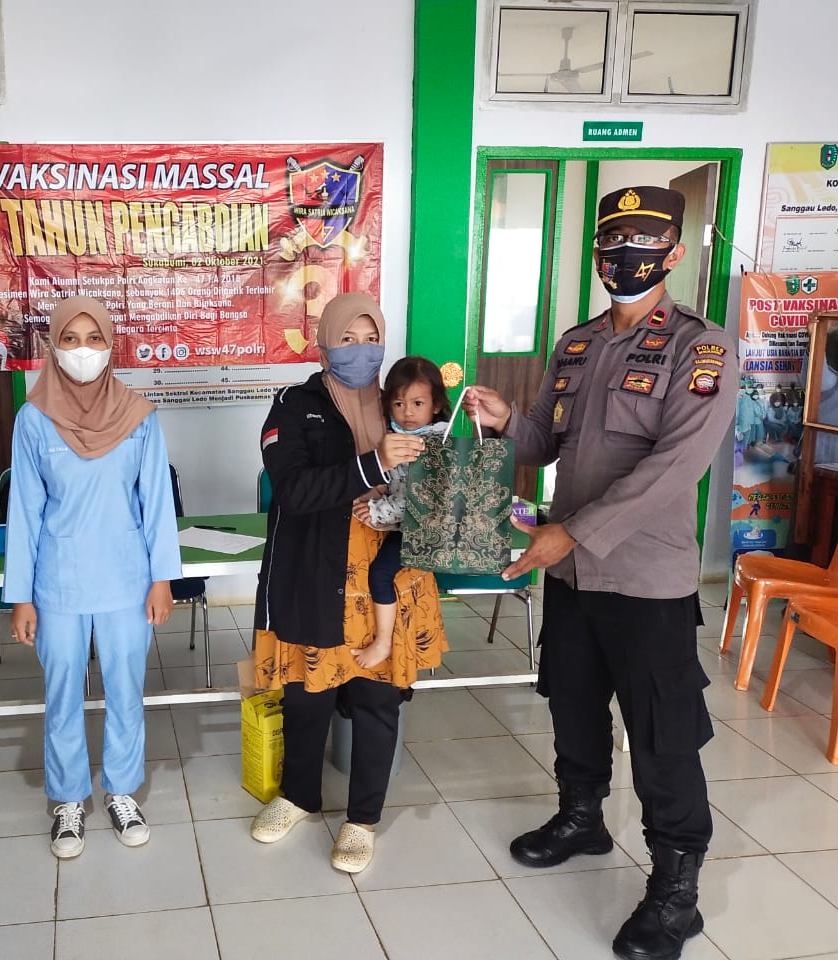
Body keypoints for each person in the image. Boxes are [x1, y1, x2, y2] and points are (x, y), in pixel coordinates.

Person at [464, 186, 736, 960]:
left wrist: (572, 533)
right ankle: (582, 819)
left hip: (645, 582)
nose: (625, 257)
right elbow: (544, 443)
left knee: (662, 736)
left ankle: (676, 891)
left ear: (672, 253)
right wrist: (503, 422)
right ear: (596, 254)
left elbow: (674, 467)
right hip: (573, 577)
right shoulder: (577, 344)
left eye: (643, 244)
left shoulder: (702, 348)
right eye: (613, 244)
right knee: (574, 705)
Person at [249, 292, 447, 874]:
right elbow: (294, 490)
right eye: (347, 339)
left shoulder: (399, 403)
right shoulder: (295, 405)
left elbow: (441, 485)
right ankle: (298, 797)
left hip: (387, 581)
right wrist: (373, 464)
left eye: (371, 339)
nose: (361, 351)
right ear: (323, 344)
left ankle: (362, 821)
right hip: (316, 573)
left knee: (378, 701)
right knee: (307, 694)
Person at [3, 295, 181, 861]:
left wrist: (162, 578)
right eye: (71, 339)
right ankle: (67, 799)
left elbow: (156, 503)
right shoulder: (34, 418)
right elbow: (24, 511)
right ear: (53, 347)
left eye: (95, 339)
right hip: (57, 582)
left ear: (111, 345)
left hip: (127, 578)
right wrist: (21, 596)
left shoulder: (139, 416)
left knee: (126, 687)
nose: (83, 351)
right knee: (62, 693)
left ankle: (122, 791)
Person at [353, 356, 449, 667]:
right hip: (406, 525)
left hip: (424, 531)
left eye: (418, 403)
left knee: (380, 575)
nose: (407, 412)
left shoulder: (433, 445)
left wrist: (375, 512)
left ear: (436, 405)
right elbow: (395, 481)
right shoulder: (397, 437)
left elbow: (419, 501)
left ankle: (383, 642)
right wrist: (377, 490)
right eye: (398, 403)